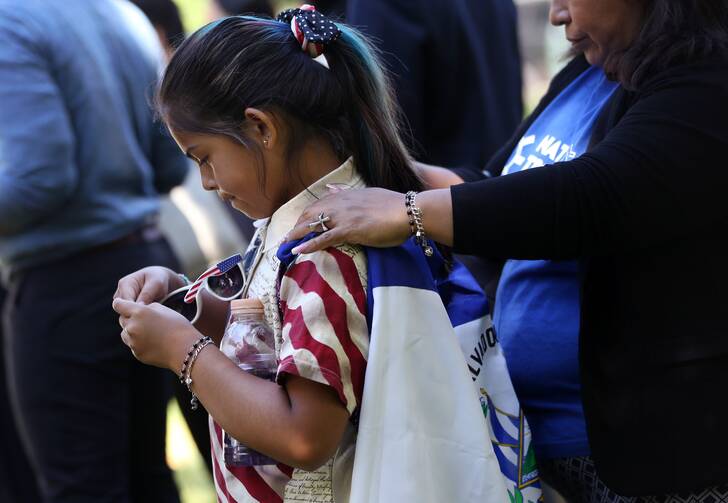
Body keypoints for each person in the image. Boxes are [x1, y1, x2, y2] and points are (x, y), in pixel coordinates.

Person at [284, 0, 728, 501]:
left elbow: (591, 199)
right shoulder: (587, 74)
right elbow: (496, 185)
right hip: (536, 439)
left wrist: (407, 211)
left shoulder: (708, 83)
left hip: (659, 460)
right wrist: (370, 152)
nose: (557, 15)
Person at [111, 9, 419, 502]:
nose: (207, 183)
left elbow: (305, 435)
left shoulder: (322, 249)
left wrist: (184, 353)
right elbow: (274, 340)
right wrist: (184, 306)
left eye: (205, 157)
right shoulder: (300, 222)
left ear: (261, 128)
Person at [0, 0, 188, 501]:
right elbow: (171, 164)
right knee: (149, 476)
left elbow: (39, 181)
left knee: (82, 489)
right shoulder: (120, 11)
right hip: (148, 267)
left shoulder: (9, 20)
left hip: (64, 287)